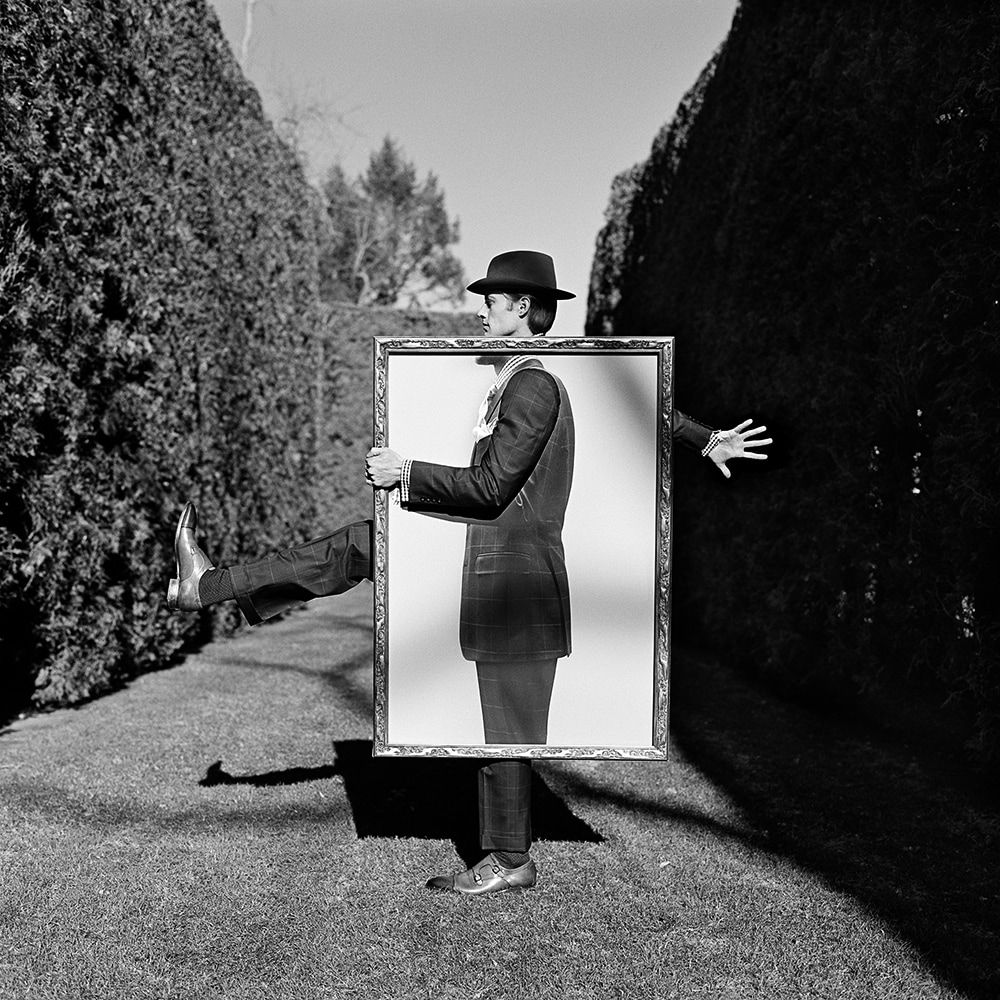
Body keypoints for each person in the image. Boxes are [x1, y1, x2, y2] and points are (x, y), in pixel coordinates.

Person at [167, 249, 771, 895]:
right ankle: (210, 586)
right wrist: (704, 438)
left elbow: (491, 487)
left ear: (524, 308)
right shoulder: (526, 378)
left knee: (506, 731)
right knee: (360, 547)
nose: (481, 312)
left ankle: (509, 860)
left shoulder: (533, 384)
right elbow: (633, 398)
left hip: (518, 586)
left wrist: (406, 471)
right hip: (496, 569)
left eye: (491, 301)